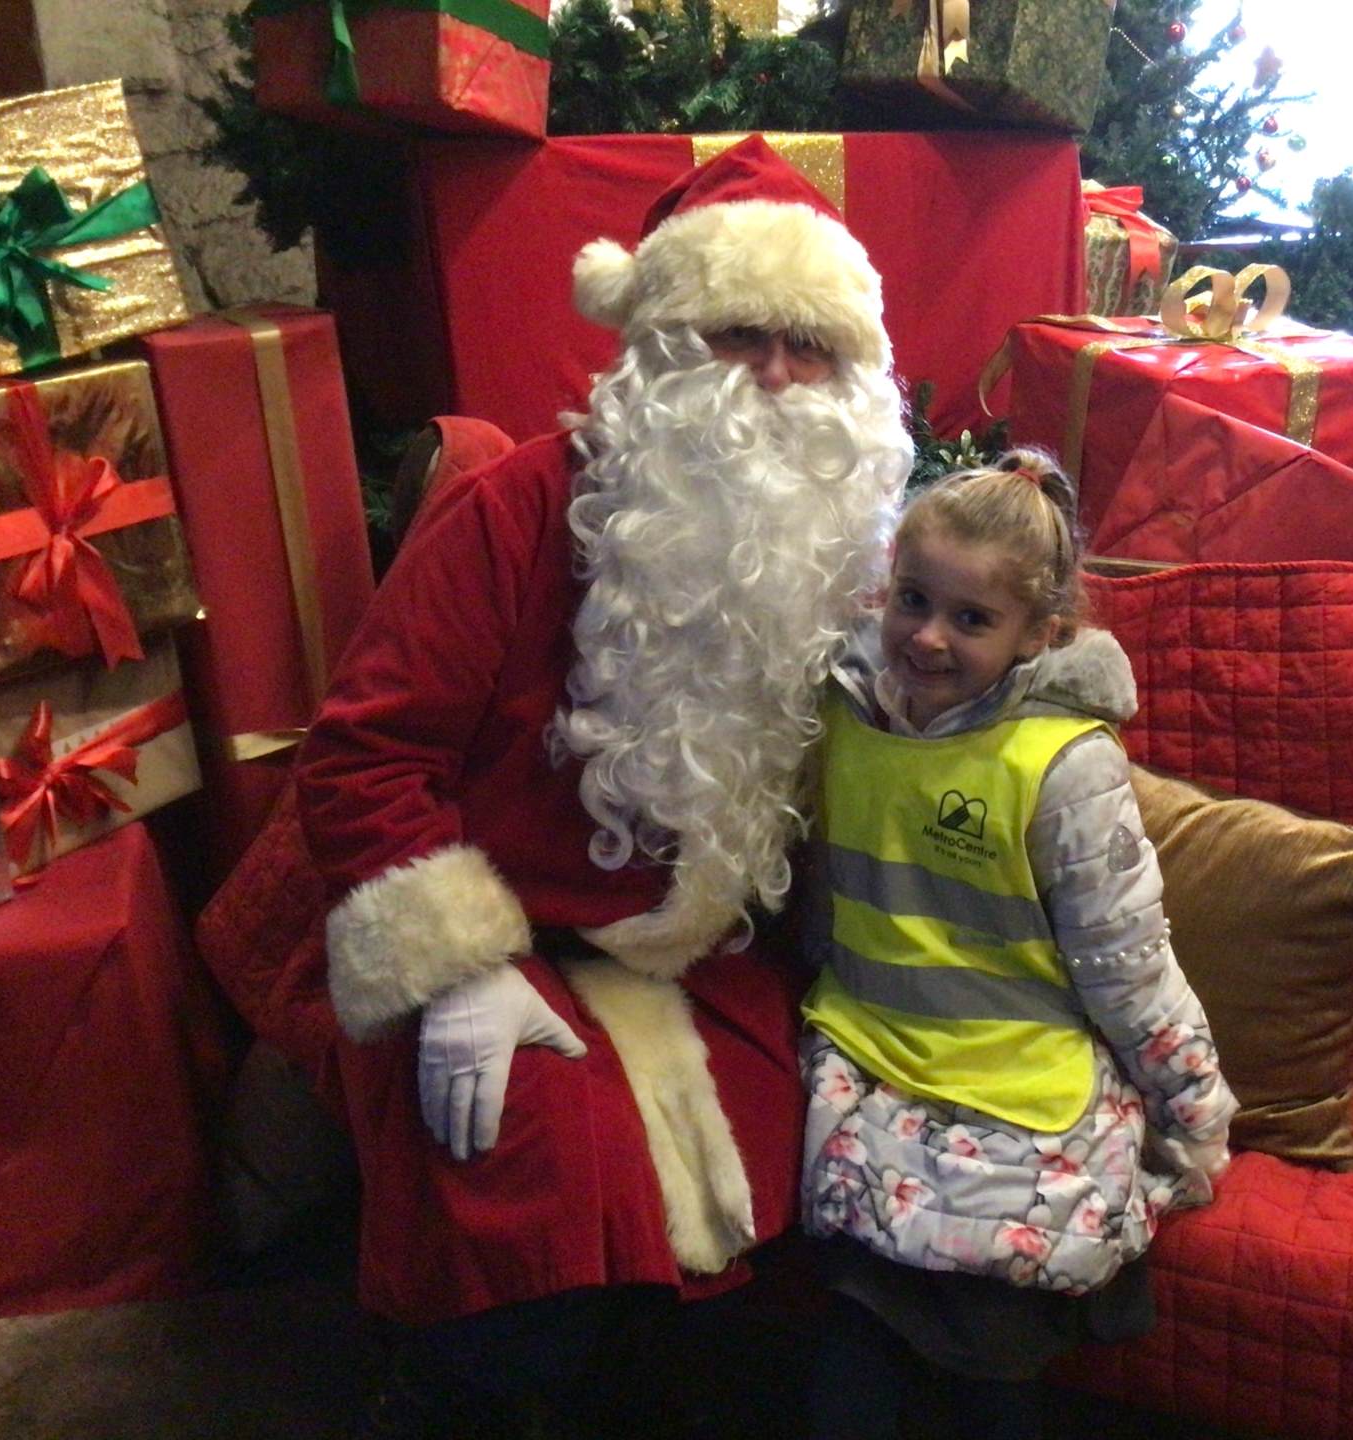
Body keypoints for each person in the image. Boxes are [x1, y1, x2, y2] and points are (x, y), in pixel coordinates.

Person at [205, 136, 915, 1435]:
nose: (773, 374)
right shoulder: (518, 511)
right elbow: (366, 756)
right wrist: (457, 969)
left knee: (767, 1197)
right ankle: (438, 1387)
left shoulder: (852, 558)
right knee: (524, 1191)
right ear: (661, 346)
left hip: (709, 964)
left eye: (809, 345)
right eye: (736, 333)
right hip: (502, 951)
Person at [794, 450, 1238, 1439]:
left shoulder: (1064, 766)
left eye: (971, 618)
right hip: (875, 1065)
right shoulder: (844, 711)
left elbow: (1127, 965)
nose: (927, 636)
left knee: (958, 1348)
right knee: (886, 1348)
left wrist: (1194, 1105)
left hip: (1003, 1089)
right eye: (913, 599)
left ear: (1041, 634)